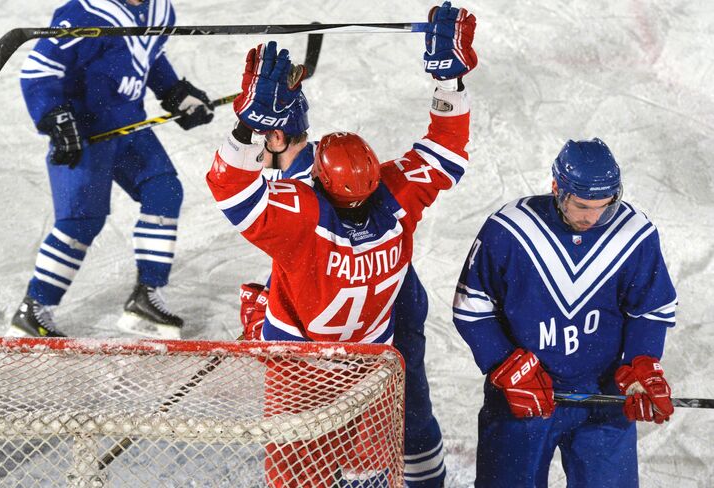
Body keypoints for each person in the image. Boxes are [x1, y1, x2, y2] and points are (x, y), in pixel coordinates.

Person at [210, 3, 476, 486]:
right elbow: (445, 149)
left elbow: (232, 189)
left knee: (301, 471)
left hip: (301, 366)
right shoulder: (394, 196)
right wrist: (449, 83)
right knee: (390, 440)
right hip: (373, 356)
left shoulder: (305, 212)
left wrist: (247, 128)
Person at [452, 138, 677, 487]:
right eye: (583, 206)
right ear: (557, 189)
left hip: (602, 393)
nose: (594, 217)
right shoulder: (509, 230)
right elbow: (472, 305)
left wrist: (642, 363)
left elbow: (650, 308)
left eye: (605, 205)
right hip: (524, 390)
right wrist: (503, 363)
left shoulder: (635, 234)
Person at [10, 0, 215, 339]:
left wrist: (175, 92)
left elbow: (148, 53)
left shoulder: (160, 11)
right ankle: (32, 309)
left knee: (163, 190)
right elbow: (39, 71)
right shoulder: (81, 13)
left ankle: (145, 297)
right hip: (86, 131)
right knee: (81, 221)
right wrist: (55, 116)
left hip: (128, 125)